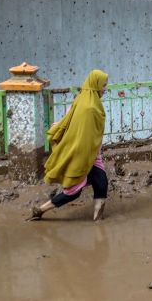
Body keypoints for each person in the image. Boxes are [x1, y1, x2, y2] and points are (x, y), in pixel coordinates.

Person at [28, 70, 109, 222]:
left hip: (91, 154)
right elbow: (81, 133)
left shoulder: (82, 100)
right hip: (83, 154)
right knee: (73, 191)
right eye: (104, 85)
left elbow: (68, 120)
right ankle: (40, 210)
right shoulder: (89, 108)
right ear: (96, 84)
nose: (105, 88)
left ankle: (98, 221)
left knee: (101, 183)